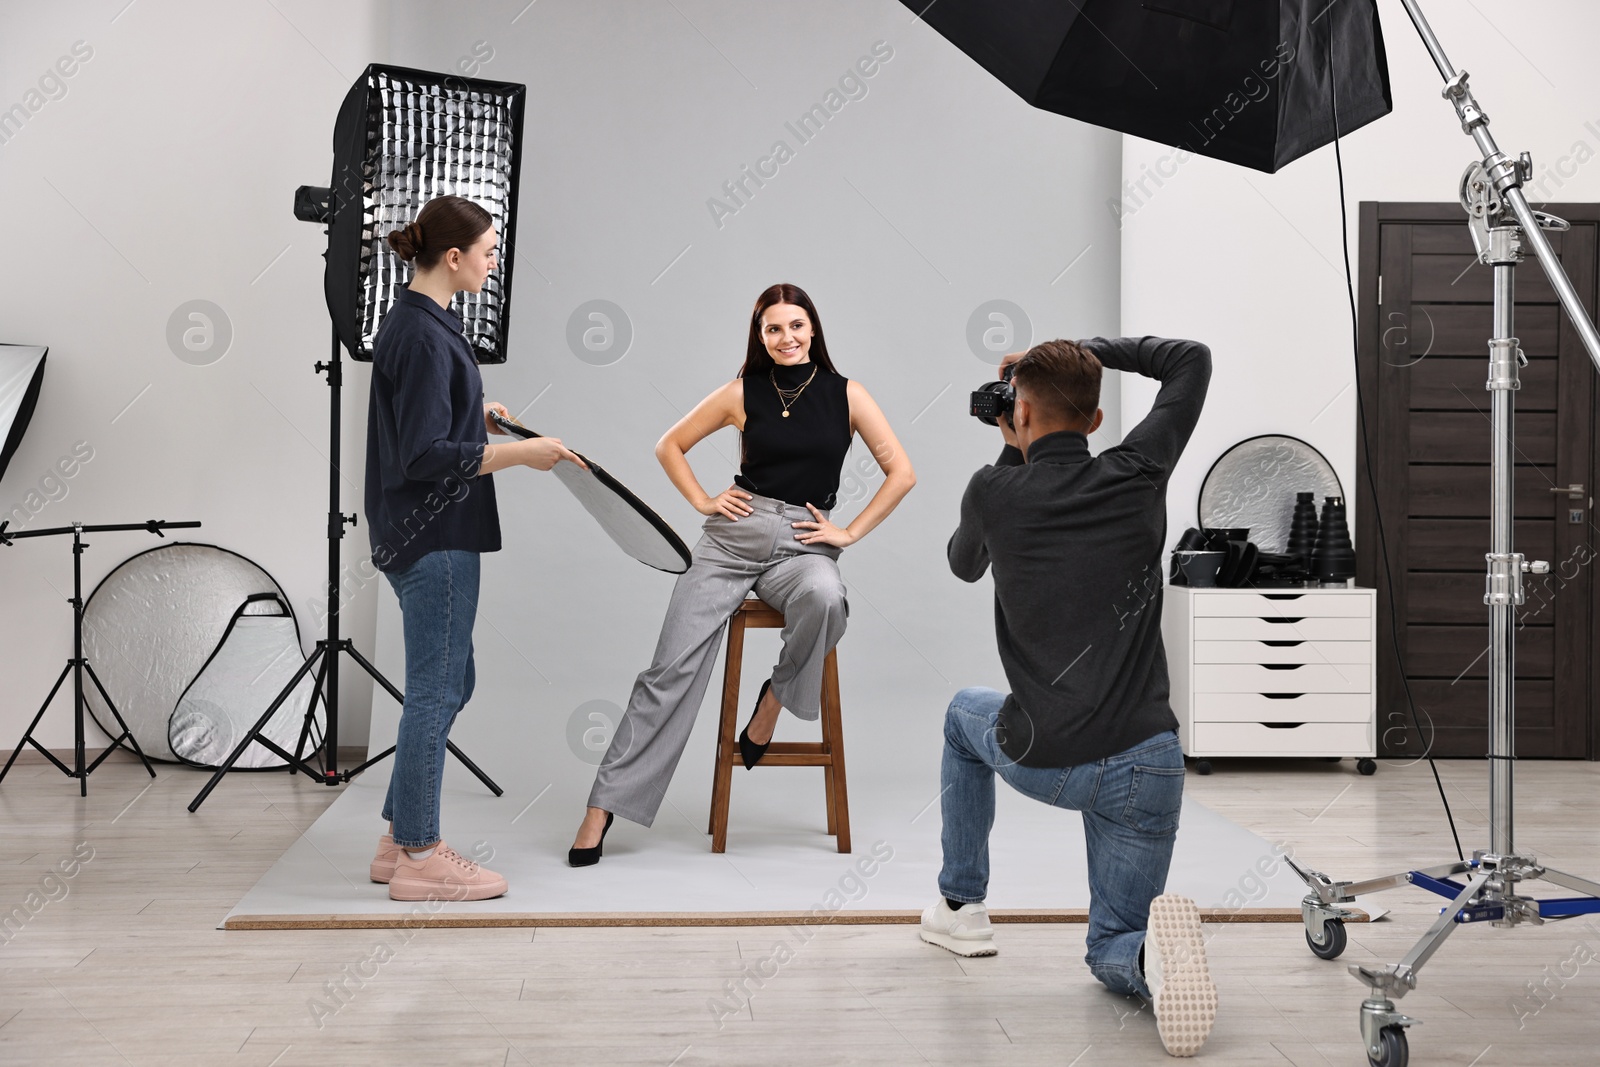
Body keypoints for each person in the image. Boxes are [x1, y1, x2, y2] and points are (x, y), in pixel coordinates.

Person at [919, 337, 1217, 1057]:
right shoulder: (1140, 469)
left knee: (965, 713)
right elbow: (1191, 360)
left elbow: (963, 564)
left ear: (1017, 411)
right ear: (1095, 419)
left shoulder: (995, 492)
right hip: (1150, 762)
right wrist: (1086, 350)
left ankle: (962, 906)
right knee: (1111, 940)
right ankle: (1145, 958)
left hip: (1050, 757)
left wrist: (1008, 447)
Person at [567, 282, 915, 865]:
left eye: (797, 325)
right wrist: (705, 500)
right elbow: (669, 445)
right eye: (773, 328)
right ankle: (601, 807)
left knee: (828, 599)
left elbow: (900, 472)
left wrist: (848, 532)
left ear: (814, 329)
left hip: (802, 545)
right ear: (760, 336)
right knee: (668, 670)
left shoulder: (848, 395)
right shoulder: (740, 393)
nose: (787, 338)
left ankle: (774, 701)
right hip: (732, 539)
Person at [363, 194, 587, 902]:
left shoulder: (415, 323)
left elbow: (424, 424)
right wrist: (524, 454)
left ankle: (397, 838)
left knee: (451, 682)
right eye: (488, 251)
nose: (494, 261)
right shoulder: (427, 335)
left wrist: (477, 411)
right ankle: (423, 857)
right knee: (435, 688)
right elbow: (426, 455)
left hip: (412, 531)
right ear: (453, 257)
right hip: (437, 534)